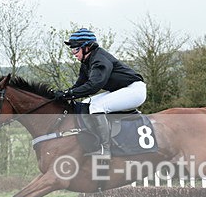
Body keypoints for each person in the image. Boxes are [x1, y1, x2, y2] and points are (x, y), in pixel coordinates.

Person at [55, 28, 147, 156]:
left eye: (76, 49)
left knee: (96, 106)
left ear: (87, 47)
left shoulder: (99, 60)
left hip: (134, 91)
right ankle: (93, 141)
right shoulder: (86, 63)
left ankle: (105, 148)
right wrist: (63, 94)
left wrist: (67, 94)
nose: (73, 53)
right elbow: (79, 85)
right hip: (123, 90)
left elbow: (93, 86)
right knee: (86, 103)